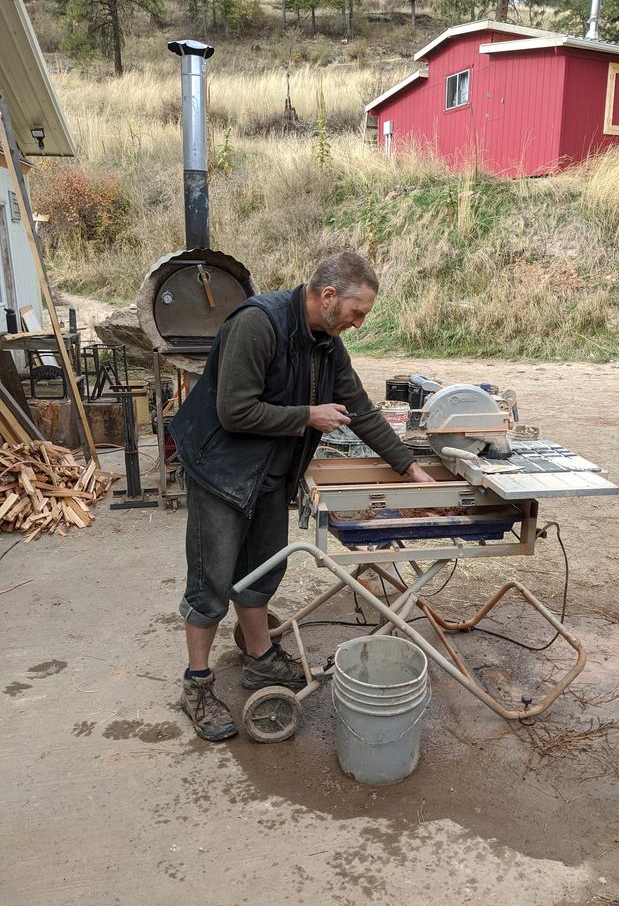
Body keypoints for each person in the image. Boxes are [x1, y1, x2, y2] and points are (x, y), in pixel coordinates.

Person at [170, 252, 434, 741]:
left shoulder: (328, 346)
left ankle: (260, 659)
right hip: (220, 469)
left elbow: (362, 411)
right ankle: (197, 683)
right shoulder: (259, 324)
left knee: (264, 570)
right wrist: (306, 416)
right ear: (328, 296)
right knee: (211, 582)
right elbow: (234, 412)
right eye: (357, 312)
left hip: (272, 472)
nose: (358, 323)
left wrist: (411, 467)